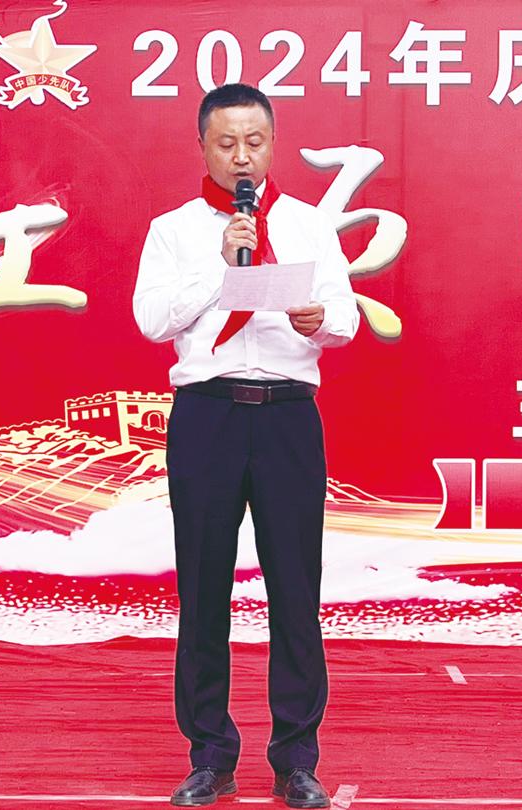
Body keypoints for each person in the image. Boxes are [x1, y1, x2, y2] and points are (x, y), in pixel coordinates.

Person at [133, 82, 359, 809]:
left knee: (296, 590)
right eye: (226, 143)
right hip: (208, 416)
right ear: (203, 146)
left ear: (272, 144)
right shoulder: (174, 230)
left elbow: (346, 319)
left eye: (254, 142)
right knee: (203, 590)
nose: (242, 157)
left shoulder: (310, 225)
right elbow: (150, 320)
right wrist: (220, 268)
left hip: (288, 416)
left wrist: (319, 319)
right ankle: (210, 756)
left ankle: (296, 760)